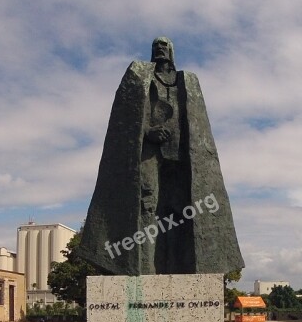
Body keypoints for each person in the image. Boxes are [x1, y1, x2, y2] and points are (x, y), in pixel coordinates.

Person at [78, 37, 244, 276]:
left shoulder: (187, 81)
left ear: (172, 52)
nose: (160, 49)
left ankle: (179, 266)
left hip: (180, 158)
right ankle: (143, 267)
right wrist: (146, 132)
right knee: (146, 207)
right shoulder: (139, 77)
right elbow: (125, 120)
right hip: (148, 154)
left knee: (181, 211)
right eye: (156, 46)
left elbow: (197, 124)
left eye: (164, 46)